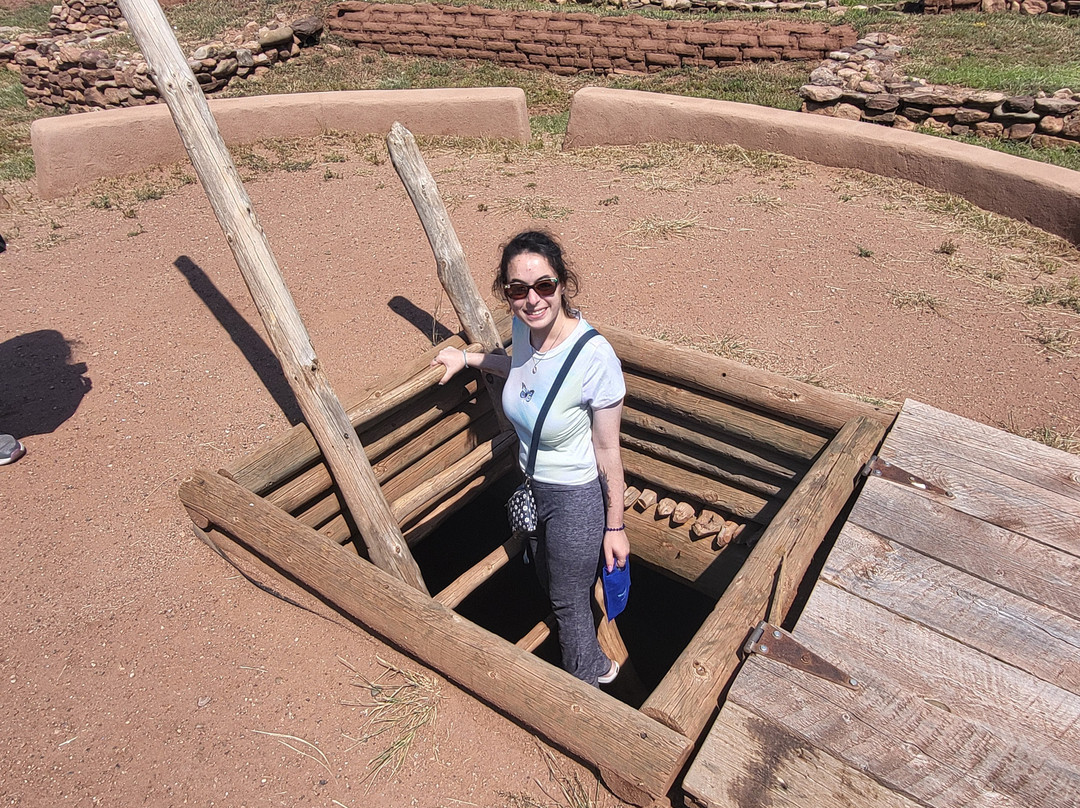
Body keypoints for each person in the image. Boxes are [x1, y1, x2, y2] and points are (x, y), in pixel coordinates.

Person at [432, 230, 629, 687]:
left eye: (544, 285)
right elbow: (520, 372)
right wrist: (469, 358)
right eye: (518, 290)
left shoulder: (594, 358)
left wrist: (614, 526)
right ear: (506, 293)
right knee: (546, 577)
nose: (533, 299)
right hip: (534, 485)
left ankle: (589, 681)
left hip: (577, 497)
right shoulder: (524, 328)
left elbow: (607, 450)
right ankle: (586, 655)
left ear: (563, 283)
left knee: (568, 600)